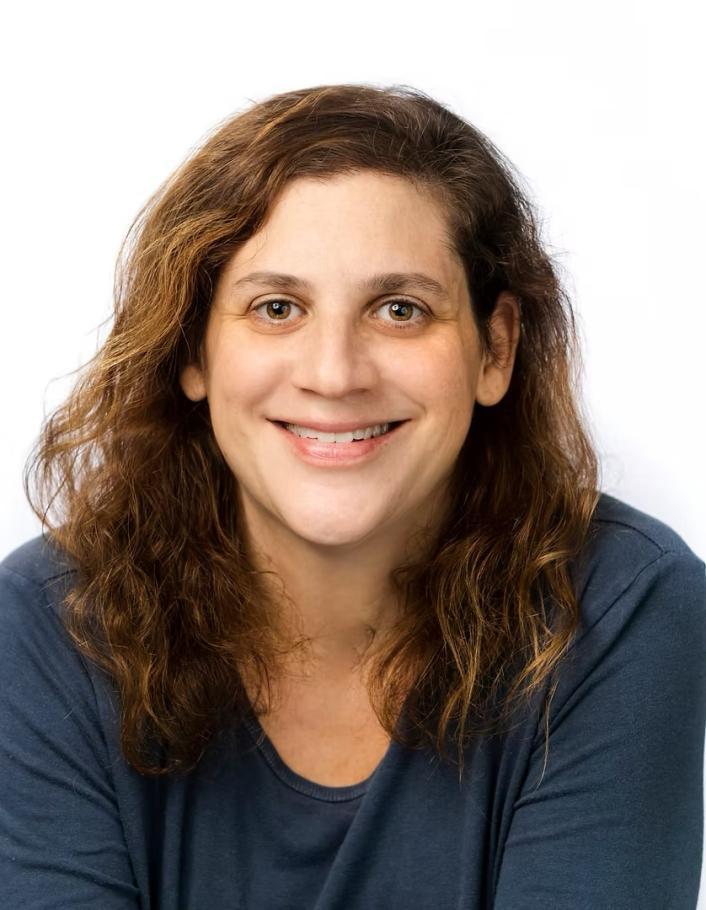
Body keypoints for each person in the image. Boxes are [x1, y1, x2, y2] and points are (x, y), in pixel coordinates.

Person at [1, 82, 704, 909]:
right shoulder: (52, 626)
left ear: (495, 350)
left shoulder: (620, 609)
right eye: (276, 307)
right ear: (194, 350)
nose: (334, 373)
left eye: (400, 310)